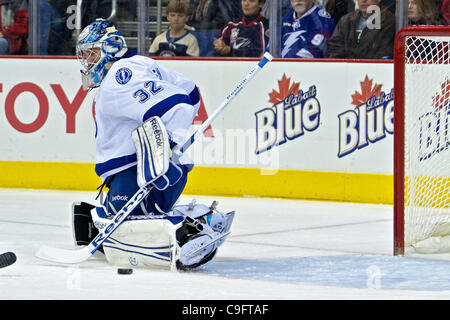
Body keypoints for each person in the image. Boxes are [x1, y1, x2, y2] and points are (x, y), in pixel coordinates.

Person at [74, 19, 234, 270]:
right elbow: (191, 93)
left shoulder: (119, 76)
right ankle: (204, 218)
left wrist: (168, 144)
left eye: (91, 53)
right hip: (155, 174)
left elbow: (178, 104)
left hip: (138, 177)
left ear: (111, 48)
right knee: (122, 218)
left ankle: (187, 235)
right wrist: (172, 149)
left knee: (120, 226)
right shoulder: (141, 63)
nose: (87, 61)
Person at [325, 0, 396, 59]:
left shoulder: (390, 22)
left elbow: (384, 54)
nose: (363, 1)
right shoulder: (346, 21)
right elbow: (333, 50)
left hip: (372, 73)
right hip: (344, 71)